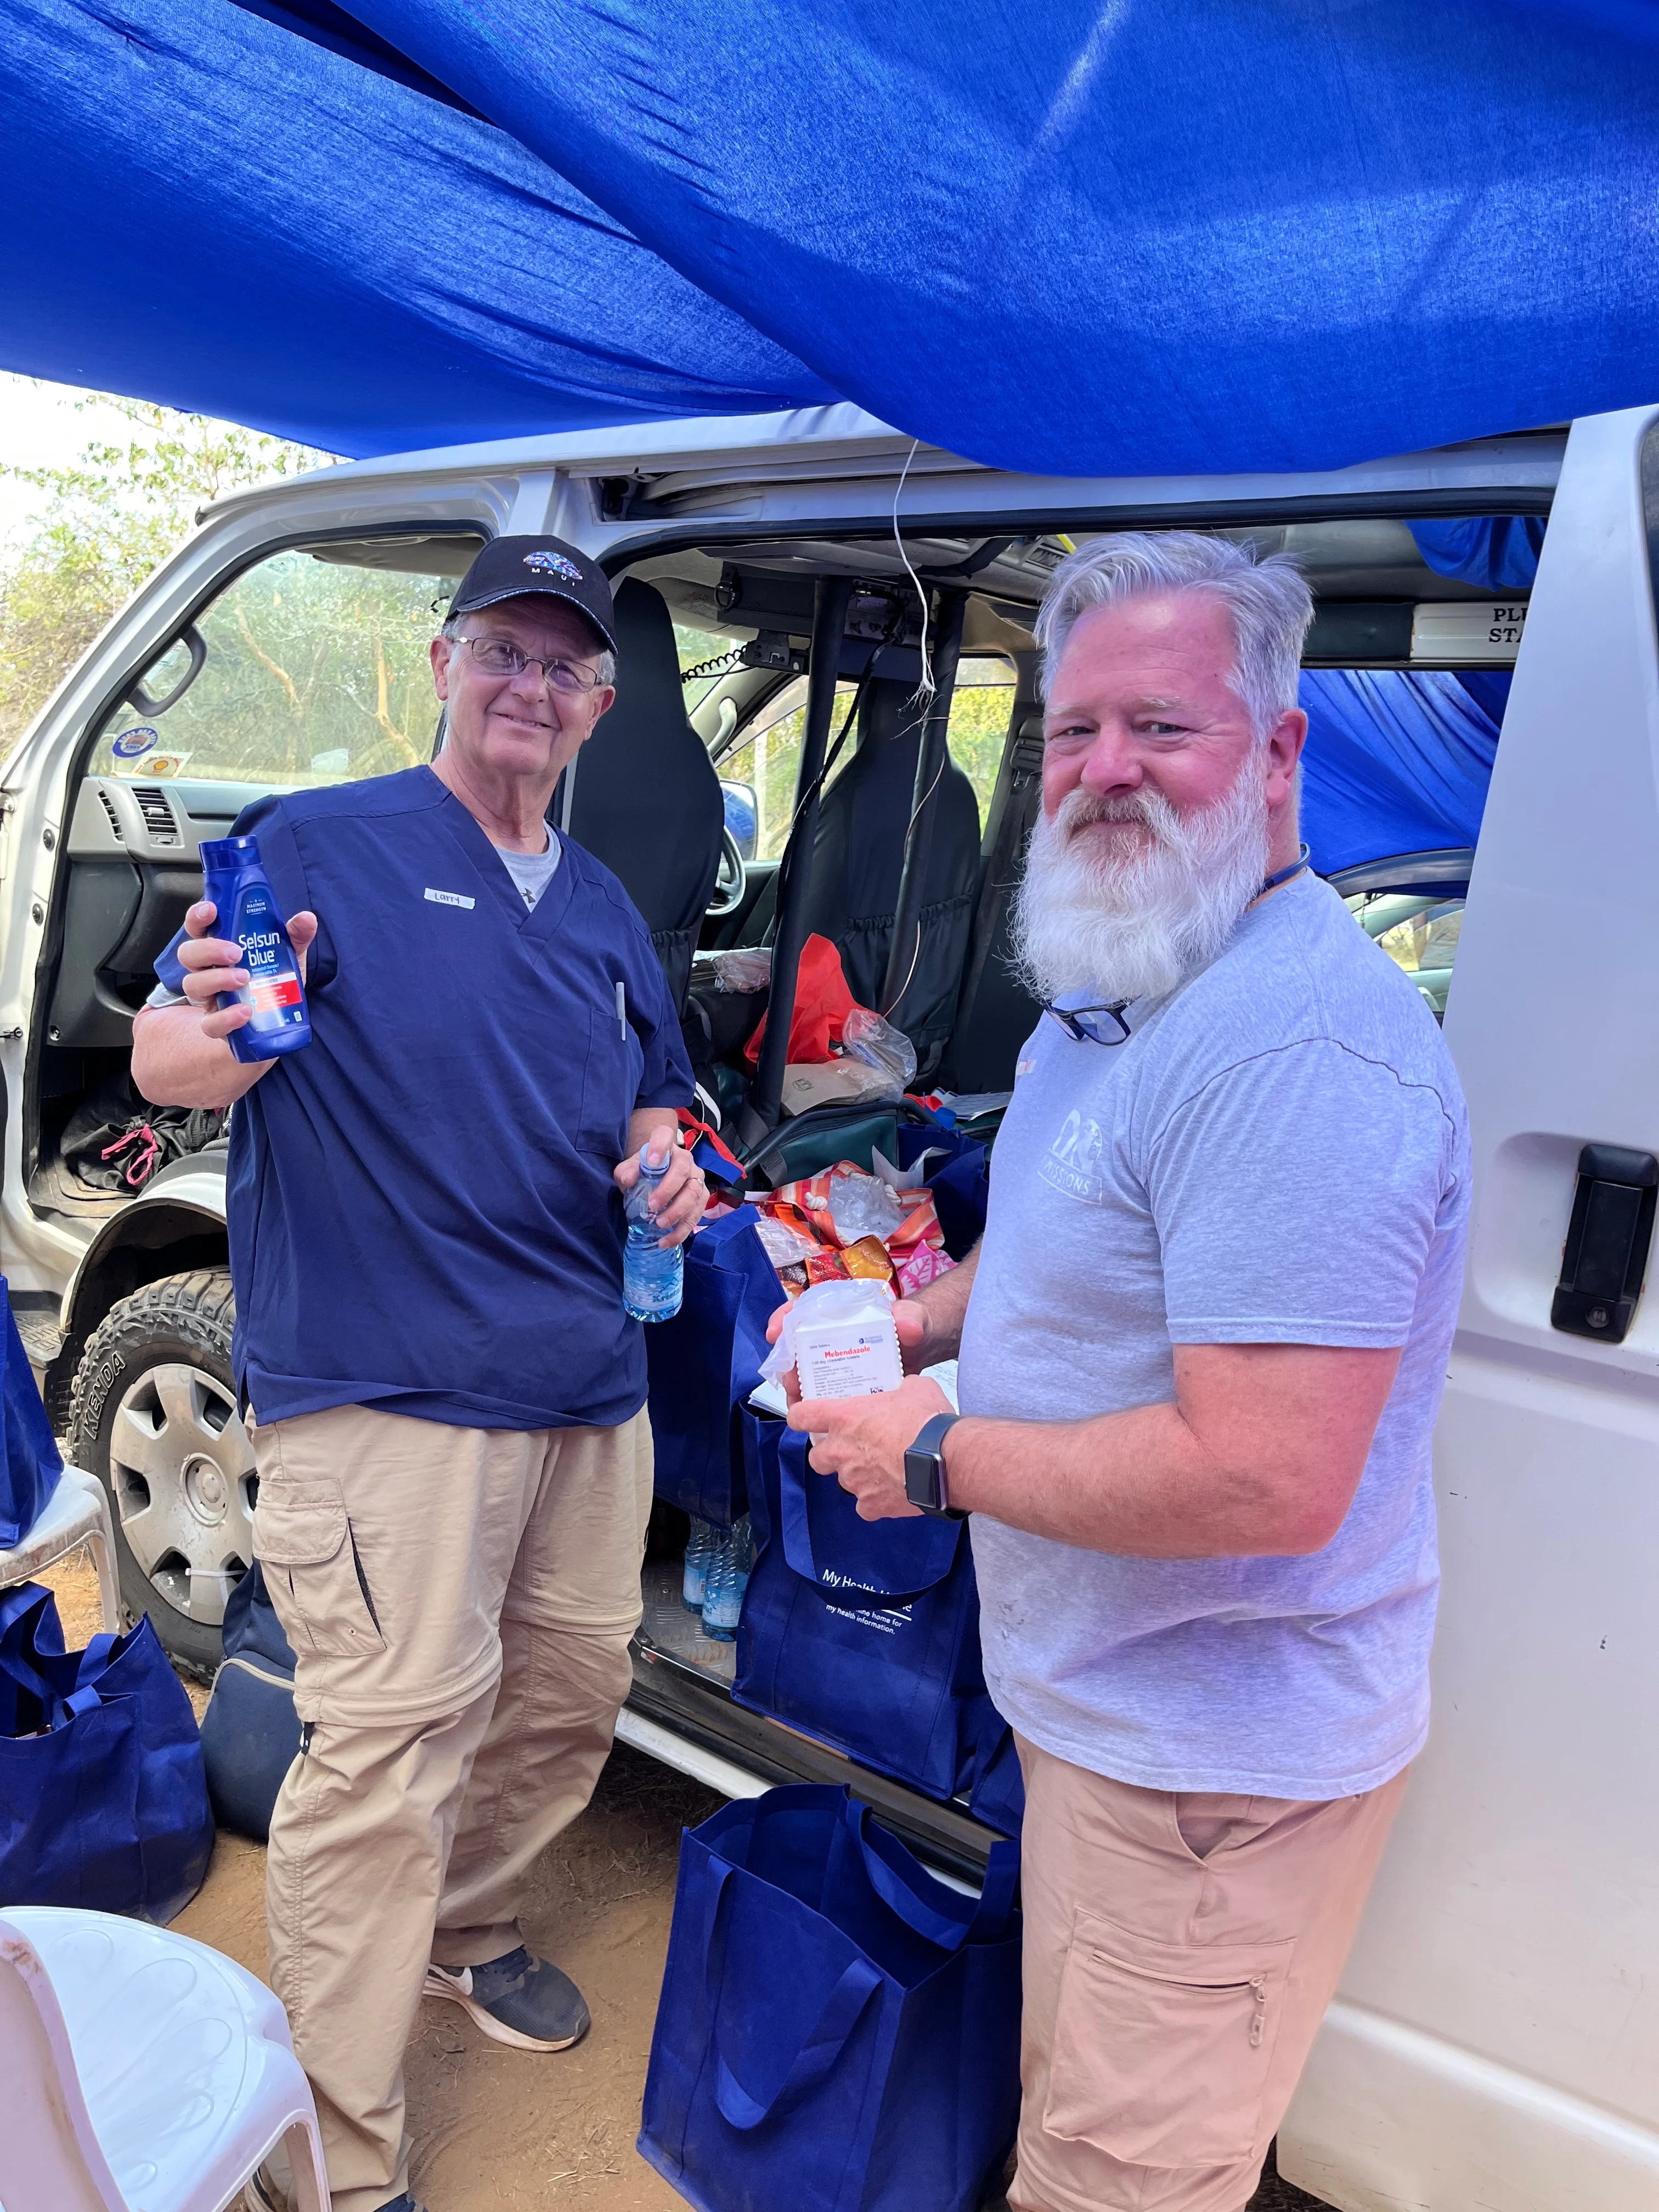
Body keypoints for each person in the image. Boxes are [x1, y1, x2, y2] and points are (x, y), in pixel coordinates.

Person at [776, 533, 1470, 2212]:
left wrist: (933, 1456)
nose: (1103, 773)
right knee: (1097, 2119)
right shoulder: (1123, 982)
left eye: (1162, 729)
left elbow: (1265, 1478)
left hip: (1209, 1774)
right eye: (1075, 728)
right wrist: (913, 1321)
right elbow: (1089, 1257)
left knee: (1117, 2180)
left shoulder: (1292, 1049)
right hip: (1118, 1727)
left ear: (1283, 751)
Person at [132, 535, 706, 2212]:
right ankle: (336, 2149)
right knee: (388, 1758)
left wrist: (667, 1163)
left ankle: (469, 1934)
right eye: (504, 653)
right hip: (390, 1387)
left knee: (567, 1695)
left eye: (566, 667)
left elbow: (659, 1099)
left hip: (588, 1387)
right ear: (444, 662)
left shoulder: (600, 906)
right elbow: (184, 1048)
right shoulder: (319, 849)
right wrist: (214, 1035)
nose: (533, 687)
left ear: (601, 705)